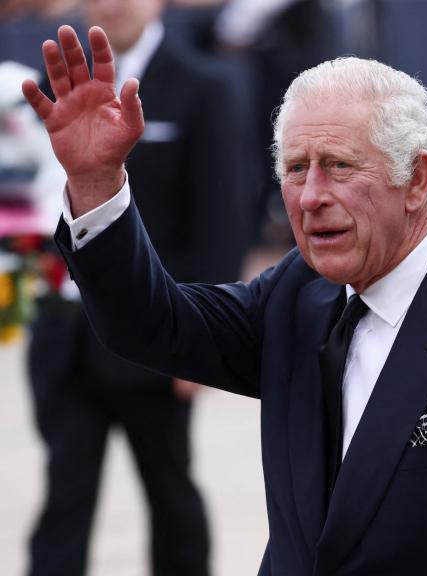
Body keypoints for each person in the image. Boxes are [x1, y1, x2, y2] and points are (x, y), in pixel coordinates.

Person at [22, 25, 427, 575]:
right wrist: (96, 182)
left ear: (419, 179)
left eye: (339, 166)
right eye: (296, 168)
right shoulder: (299, 295)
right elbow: (151, 327)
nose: (311, 195)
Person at [24, 2, 250, 574]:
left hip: (159, 335)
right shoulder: (47, 82)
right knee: (64, 498)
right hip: (63, 335)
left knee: (170, 493)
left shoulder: (204, 85)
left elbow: (222, 216)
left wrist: (203, 344)